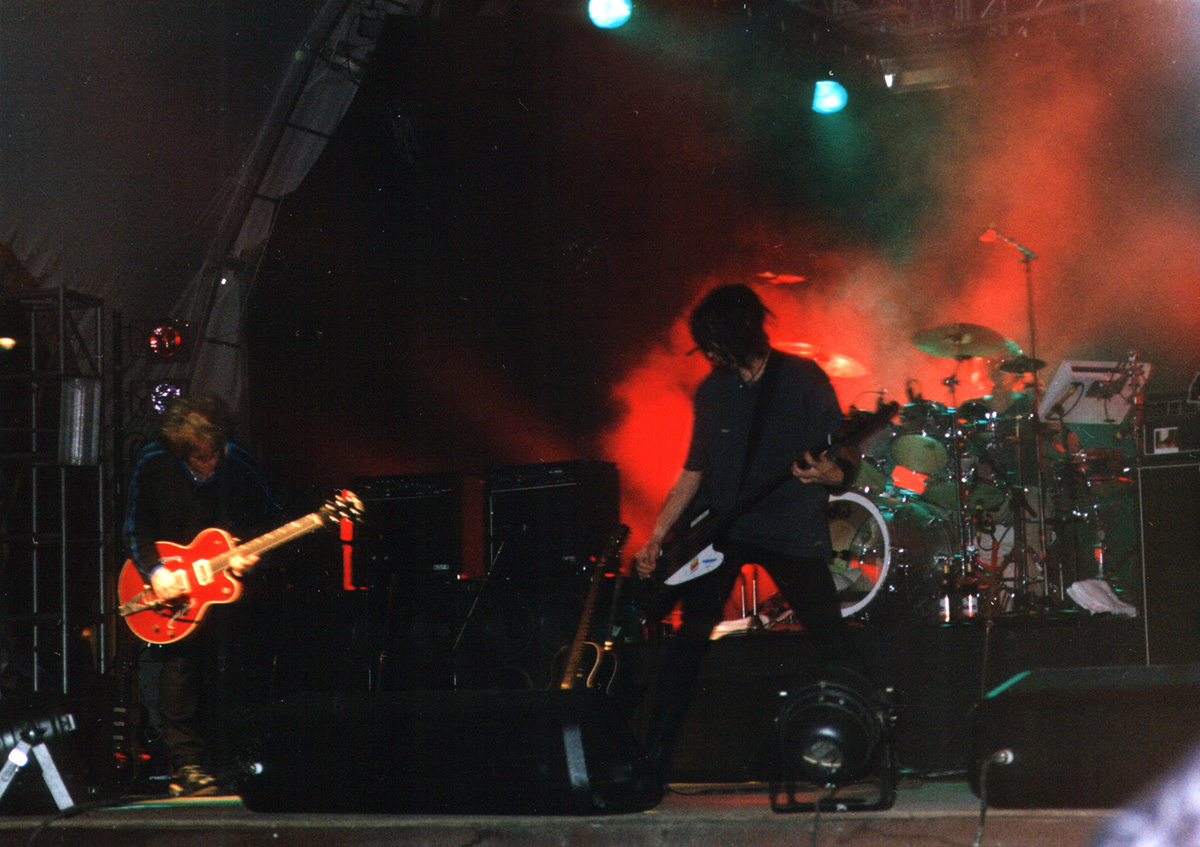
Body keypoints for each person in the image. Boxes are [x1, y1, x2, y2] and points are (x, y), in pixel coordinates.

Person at [633, 283, 862, 779]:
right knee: (688, 638)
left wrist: (832, 474)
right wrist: (656, 536)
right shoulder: (712, 391)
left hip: (790, 526)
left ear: (740, 333)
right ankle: (654, 759)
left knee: (832, 643)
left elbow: (844, 446)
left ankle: (854, 749)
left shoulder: (802, 377)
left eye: (715, 341)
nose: (710, 353)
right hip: (726, 529)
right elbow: (693, 471)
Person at [123, 394, 281, 797]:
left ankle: (235, 762)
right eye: (196, 459)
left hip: (227, 587)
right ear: (179, 452)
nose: (207, 466)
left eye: (212, 455)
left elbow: (270, 520)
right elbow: (134, 526)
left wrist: (252, 556)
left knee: (235, 668)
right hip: (174, 587)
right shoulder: (152, 461)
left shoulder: (241, 464)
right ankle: (187, 766)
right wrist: (156, 572)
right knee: (180, 669)